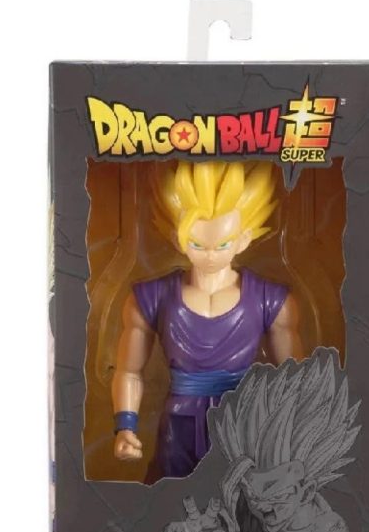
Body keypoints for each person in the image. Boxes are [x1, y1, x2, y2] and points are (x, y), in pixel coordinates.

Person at [112, 160, 303, 479]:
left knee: (240, 500)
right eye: (197, 244)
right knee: (171, 496)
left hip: (242, 425)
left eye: (223, 244)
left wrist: (294, 435)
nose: (211, 255)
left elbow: (296, 378)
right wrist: (125, 426)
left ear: (244, 239)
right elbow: (129, 371)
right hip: (178, 425)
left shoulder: (271, 300)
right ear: (178, 238)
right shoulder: (153, 297)